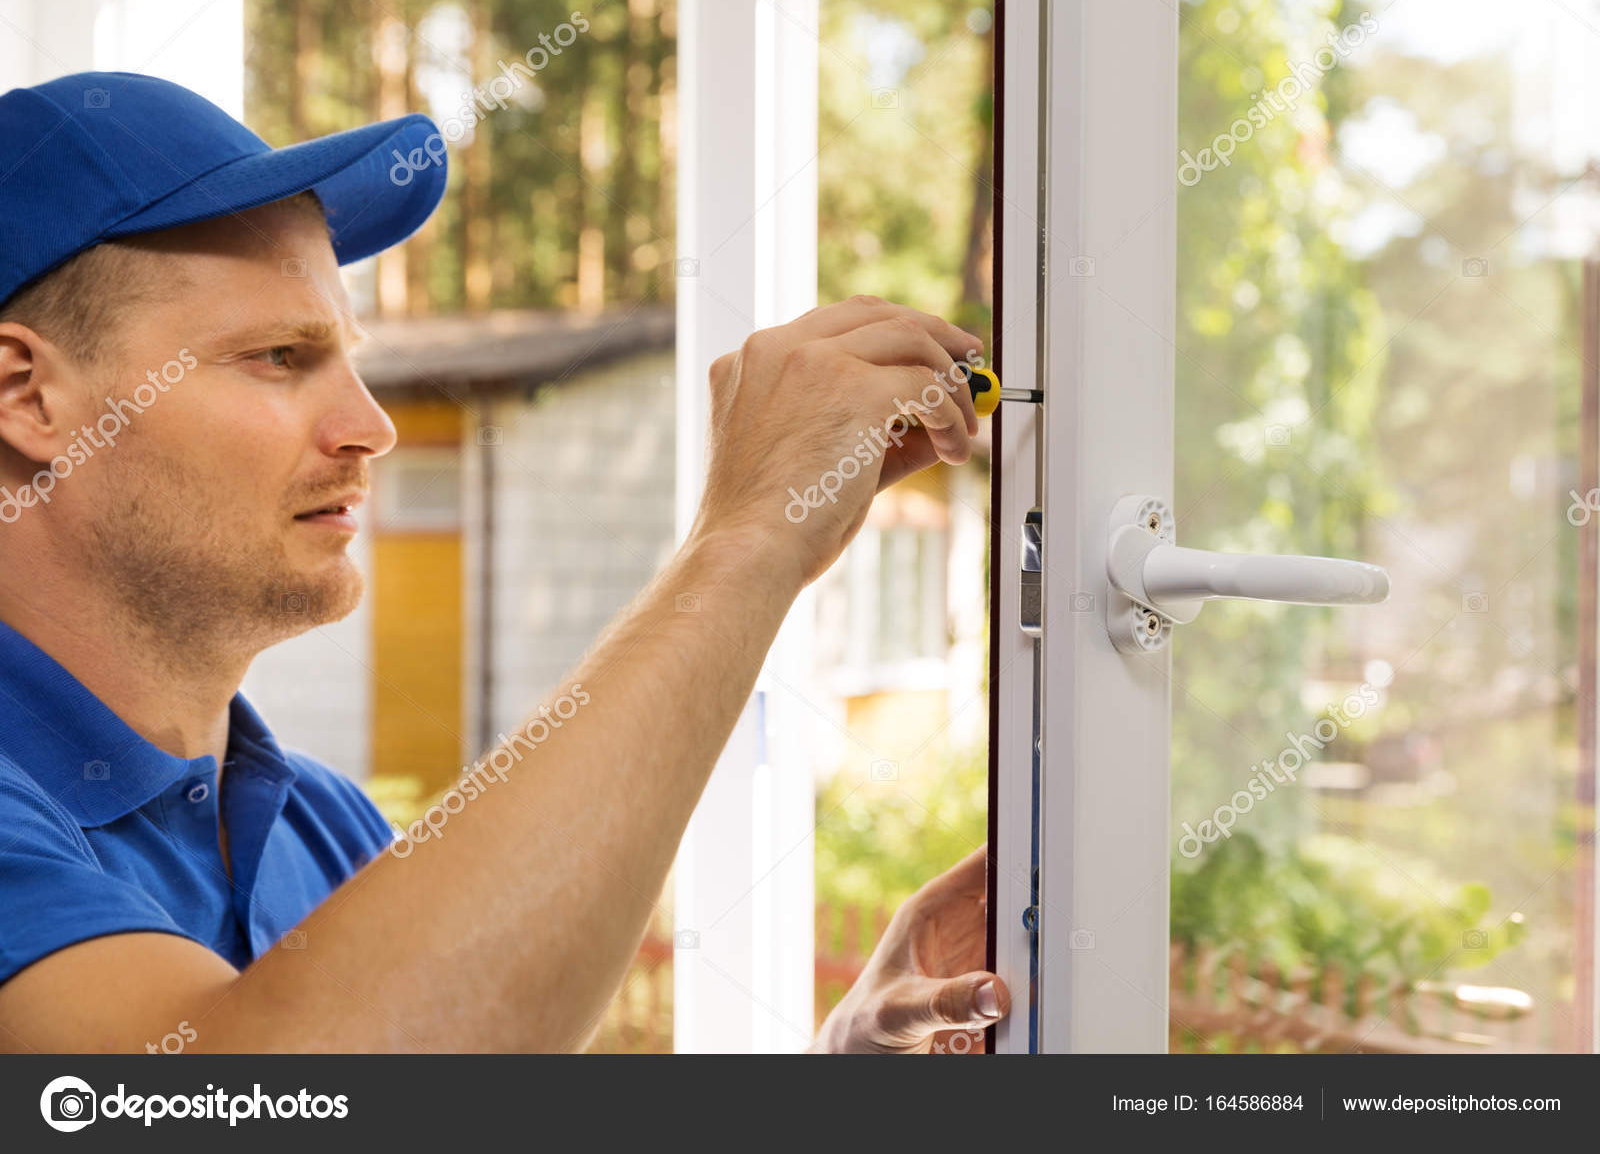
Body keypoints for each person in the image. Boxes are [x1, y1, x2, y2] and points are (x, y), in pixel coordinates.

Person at [0, 71, 1009, 1053]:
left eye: (351, 359)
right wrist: (745, 543)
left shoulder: (318, 824)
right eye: (279, 357)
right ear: (29, 397)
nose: (371, 427)